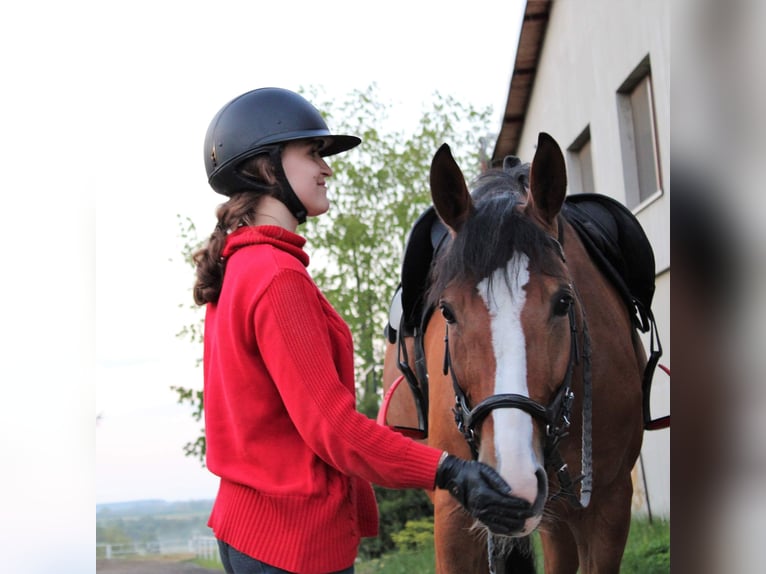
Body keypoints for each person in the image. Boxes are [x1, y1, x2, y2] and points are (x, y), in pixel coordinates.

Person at [194, 87, 532, 574]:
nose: (327, 168)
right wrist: (450, 471)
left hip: (252, 534)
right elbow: (333, 429)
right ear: (267, 169)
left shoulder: (240, 267)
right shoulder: (276, 277)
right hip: (293, 544)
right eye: (312, 154)